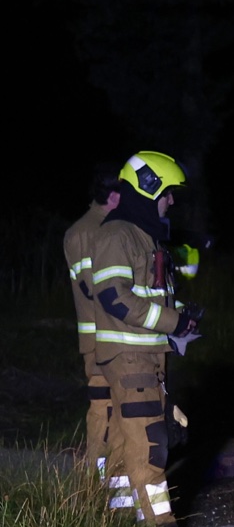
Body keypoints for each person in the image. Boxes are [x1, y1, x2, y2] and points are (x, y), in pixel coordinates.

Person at [89, 152, 200, 527]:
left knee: (124, 440)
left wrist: (184, 316)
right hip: (130, 356)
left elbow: (146, 297)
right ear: (149, 188)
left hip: (143, 354)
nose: (171, 201)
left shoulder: (142, 236)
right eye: (168, 193)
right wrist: (173, 320)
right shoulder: (116, 235)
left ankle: (120, 520)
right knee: (152, 441)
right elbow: (114, 298)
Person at [64, 165, 120, 483]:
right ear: (113, 196)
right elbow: (94, 287)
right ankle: (97, 482)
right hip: (99, 339)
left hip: (112, 336)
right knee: (104, 410)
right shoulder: (84, 232)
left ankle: (113, 477)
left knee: (119, 410)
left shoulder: (106, 228)